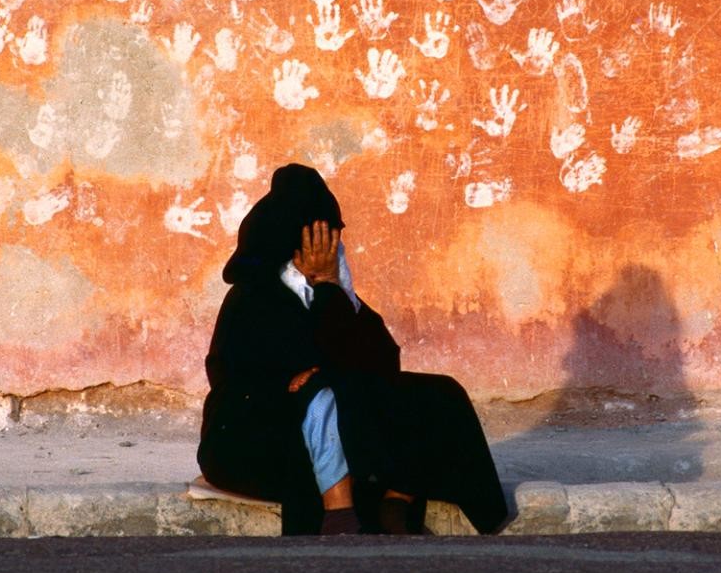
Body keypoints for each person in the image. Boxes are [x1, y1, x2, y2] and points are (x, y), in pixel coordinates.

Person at [197, 164, 509, 535]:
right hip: (254, 440)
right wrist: (298, 377)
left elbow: (383, 363)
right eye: (319, 241)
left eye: (333, 241)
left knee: (437, 393)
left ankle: (398, 500)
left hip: (335, 426)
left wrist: (330, 288)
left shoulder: (334, 295)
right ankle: (339, 514)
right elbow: (244, 379)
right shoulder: (252, 298)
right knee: (321, 395)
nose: (331, 251)